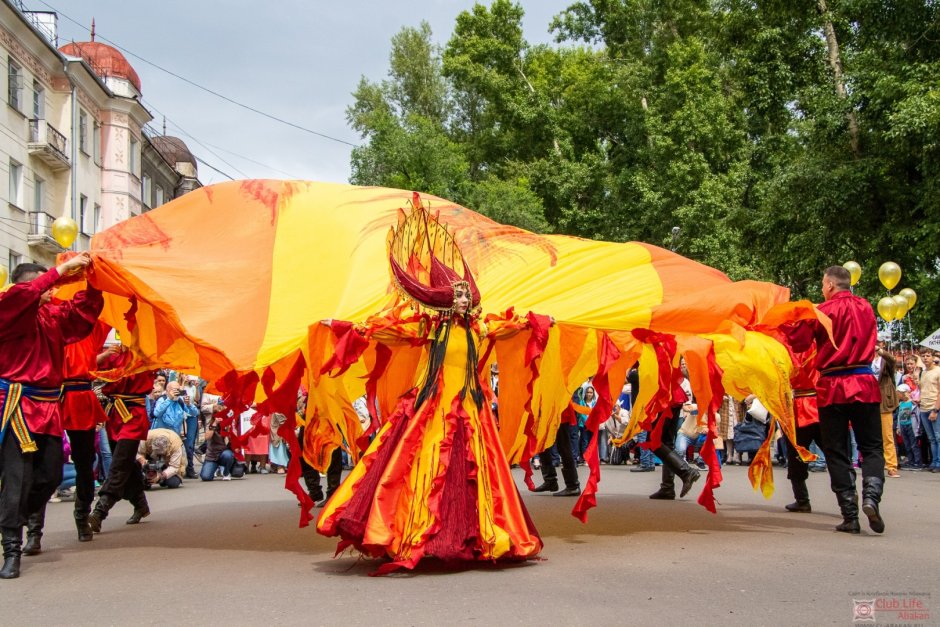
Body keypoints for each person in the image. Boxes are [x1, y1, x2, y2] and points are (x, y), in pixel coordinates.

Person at [316, 204, 542, 573]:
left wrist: (539, 321)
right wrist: (345, 326)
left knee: (474, 470)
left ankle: (478, 535)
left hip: (470, 406)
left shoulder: (477, 328)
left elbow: (511, 325)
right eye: (458, 295)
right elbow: (385, 329)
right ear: (445, 300)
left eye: (467, 295)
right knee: (416, 467)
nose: (464, 300)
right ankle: (414, 532)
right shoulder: (428, 328)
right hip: (431, 405)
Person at [0, 254, 102, 579]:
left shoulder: (51, 315)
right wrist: (58, 272)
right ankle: (12, 550)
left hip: (47, 407)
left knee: (52, 476)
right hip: (17, 406)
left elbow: (82, 313)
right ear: (29, 284)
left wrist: (96, 280)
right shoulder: (9, 307)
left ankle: (11, 516)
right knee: (19, 480)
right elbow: (23, 296)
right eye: (47, 286)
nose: (52, 290)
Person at [788, 266, 884, 534]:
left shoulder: (822, 311)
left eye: (822, 284)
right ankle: (871, 497)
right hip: (864, 382)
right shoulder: (866, 307)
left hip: (833, 386)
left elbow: (798, 343)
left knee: (836, 451)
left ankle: (850, 514)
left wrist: (793, 318)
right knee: (873, 448)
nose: (821, 288)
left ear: (829, 284)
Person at [88, 348, 157, 533]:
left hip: (133, 416)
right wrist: (101, 356)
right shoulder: (113, 354)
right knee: (127, 463)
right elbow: (88, 369)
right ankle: (141, 505)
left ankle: (100, 510)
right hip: (115, 415)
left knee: (119, 464)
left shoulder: (148, 356)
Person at [57, 321, 110, 545]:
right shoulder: (55, 326)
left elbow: (107, 313)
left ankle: (82, 517)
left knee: (85, 463)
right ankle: (34, 529)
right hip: (52, 398)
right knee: (45, 464)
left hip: (82, 400)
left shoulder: (91, 329)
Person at [648, 359, 701, 500]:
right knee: (666, 441)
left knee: (654, 441)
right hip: (673, 395)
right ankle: (667, 488)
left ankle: (686, 471)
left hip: (664, 397)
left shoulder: (653, 346)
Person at [876, 343, 900, 478]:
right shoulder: (865, 359)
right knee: (873, 437)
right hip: (868, 400)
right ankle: (878, 464)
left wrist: (881, 351)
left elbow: (893, 360)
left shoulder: (885, 360)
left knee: (887, 436)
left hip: (884, 402)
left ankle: (891, 466)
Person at [917, 351, 940, 472]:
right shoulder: (923, 372)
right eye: (923, 356)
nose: (925, 358)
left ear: (933, 357)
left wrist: (935, 410)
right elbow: (922, 389)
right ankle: (934, 461)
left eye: (928, 356)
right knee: (931, 438)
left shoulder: (938, 371)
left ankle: (939, 462)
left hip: (934, 407)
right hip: (923, 407)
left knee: (938, 436)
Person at [896, 384, 922, 470]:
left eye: (899, 393)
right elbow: (899, 416)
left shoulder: (912, 404)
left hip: (911, 425)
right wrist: (898, 427)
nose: (898, 395)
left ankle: (917, 462)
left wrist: (918, 428)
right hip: (903, 425)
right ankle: (910, 460)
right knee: (907, 444)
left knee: (914, 444)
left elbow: (917, 416)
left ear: (904, 393)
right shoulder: (901, 404)